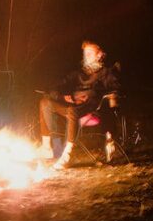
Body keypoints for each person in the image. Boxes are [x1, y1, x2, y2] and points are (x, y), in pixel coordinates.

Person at [39, 40, 122, 169]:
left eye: (90, 53)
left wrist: (111, 97)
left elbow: (114, 88)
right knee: (45, 103)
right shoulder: (78, 74)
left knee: (72, 110)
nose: (86, 56)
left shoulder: (105, 73)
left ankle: (68, 154)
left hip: (91, 106)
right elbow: (60, 84)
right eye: (85, 53)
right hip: (73, 104)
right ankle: (48, 147)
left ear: (99, 55)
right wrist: (59, 96)